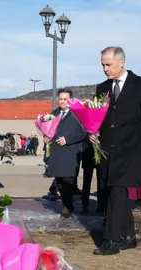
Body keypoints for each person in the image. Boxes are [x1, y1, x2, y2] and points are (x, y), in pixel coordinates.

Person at [91, 46, 141, 255]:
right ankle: (129, 237)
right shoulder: (102, 88)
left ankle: (111, 240)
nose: (105, 69)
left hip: (131, 150)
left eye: (108, 64)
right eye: (102, 65)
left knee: (117, 193)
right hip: (106, 151)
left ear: (121, 62)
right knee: (112, 191)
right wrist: (92, 131)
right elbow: (97, 117)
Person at [45, 89, 87, 218]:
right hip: (57, 152)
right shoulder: (54, 113)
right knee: (59, 182)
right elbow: (49, 130)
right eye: (61, 98)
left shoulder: (77, 114)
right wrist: (46, 137)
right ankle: (67, 203)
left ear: (71, 100)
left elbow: (84, 133)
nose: (62, 101)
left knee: (68, 181)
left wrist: (67, 140)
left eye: (65, 99)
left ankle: (67, 207)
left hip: (70, 152)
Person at [80, 138, 101, 214]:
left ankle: (101, 206)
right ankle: (84, 205)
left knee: (101, 181)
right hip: (88, 152)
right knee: (86, 182)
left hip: (100, 152)